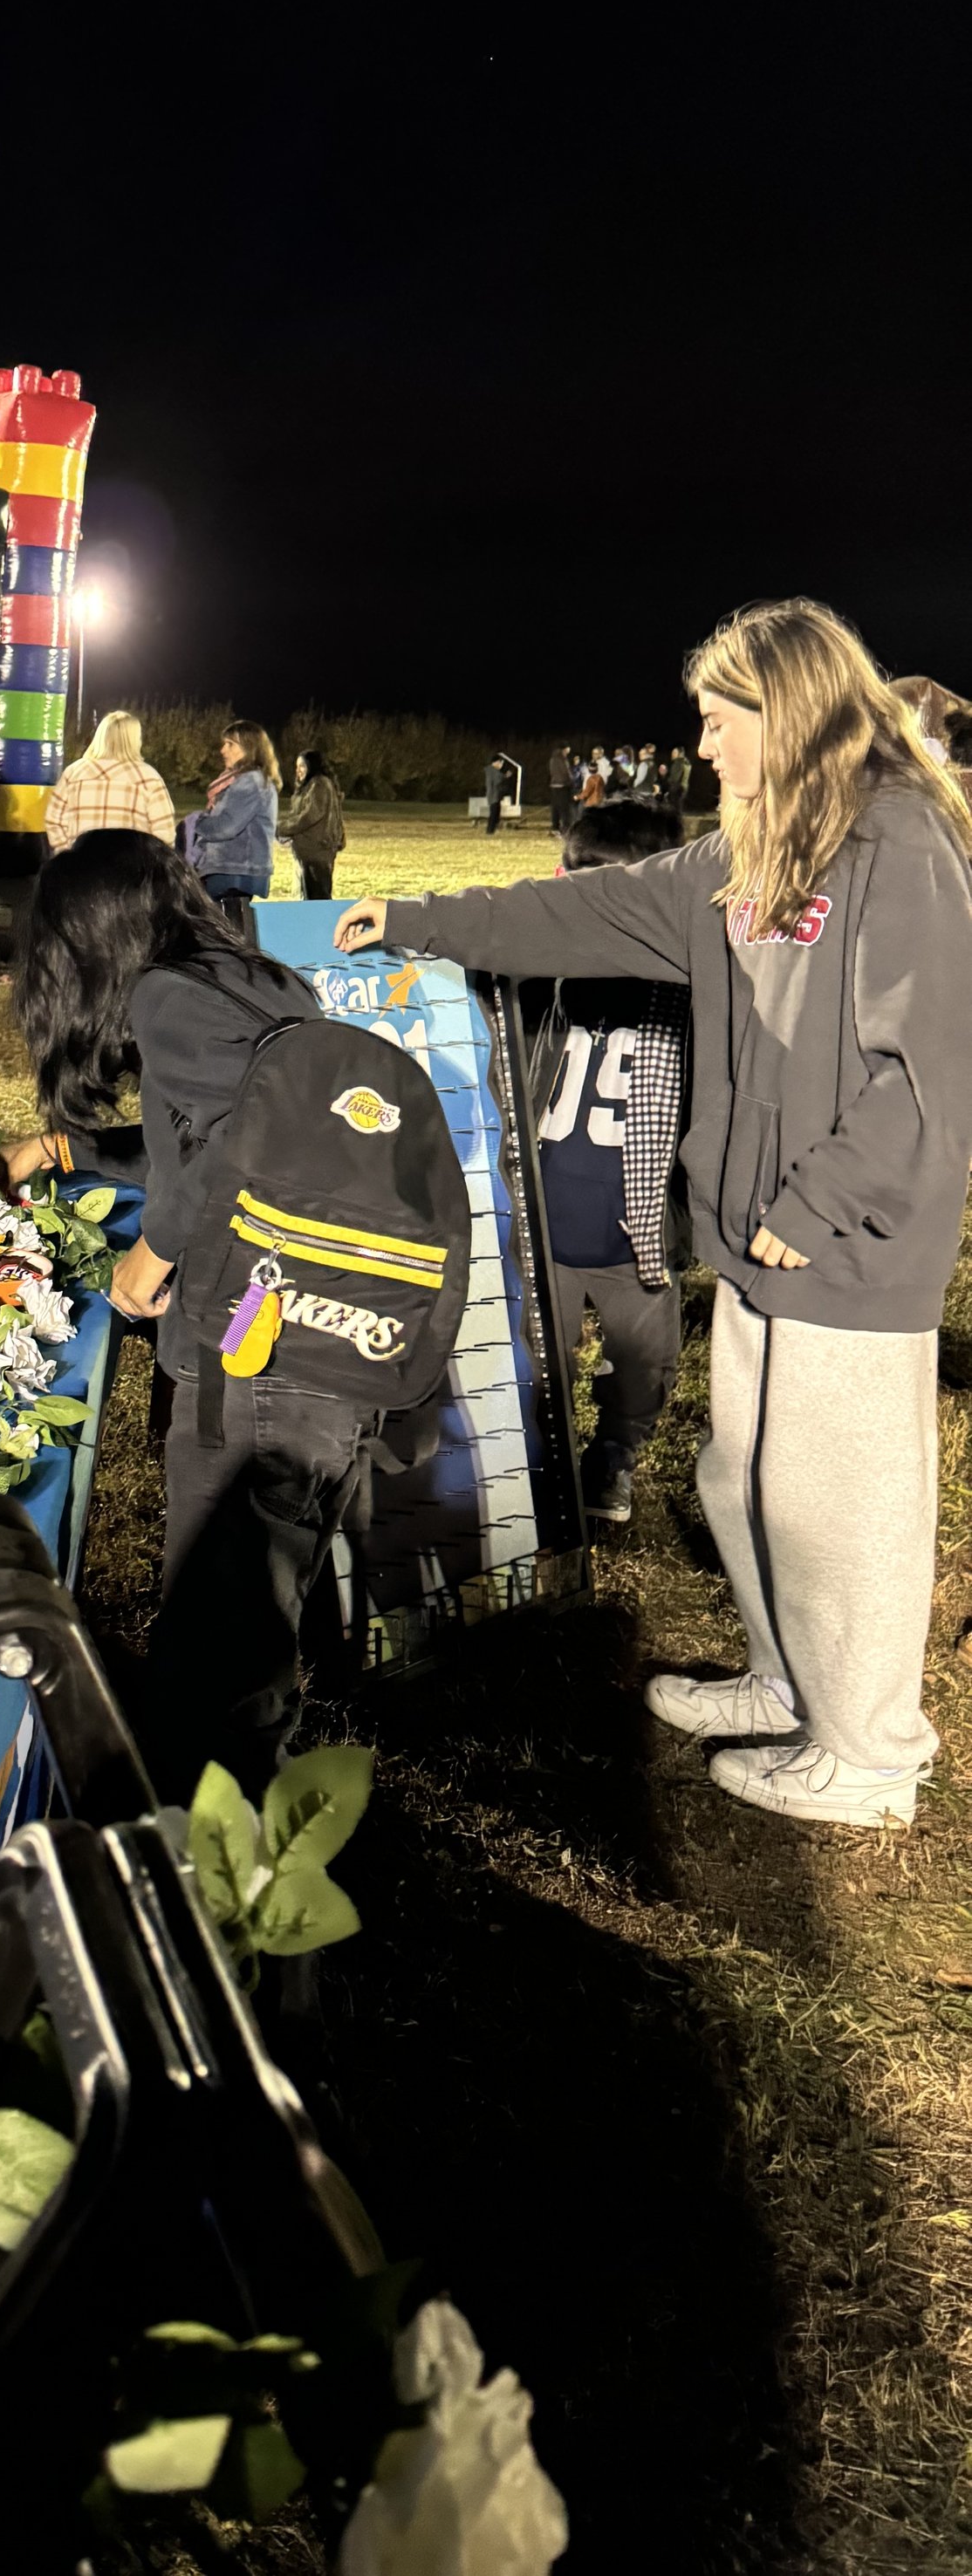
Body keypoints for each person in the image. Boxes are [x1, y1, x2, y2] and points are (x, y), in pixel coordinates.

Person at [338, 597, 972, 1829]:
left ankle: (872, 1755)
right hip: (759, 1234)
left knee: (837, 1500)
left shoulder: (898, 839)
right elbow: (580, 910)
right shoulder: (752, 855)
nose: (702, 746)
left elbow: (937, 1062)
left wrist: (825, 1192)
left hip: (845, 1238)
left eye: (719, 717)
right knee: (742, 1481)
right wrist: (416, 920)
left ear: (784, 709)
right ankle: (793, 1680)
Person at [7, 830, 353, 1800]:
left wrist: (153, 1252)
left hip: (258, 1354)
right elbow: (193, 1138)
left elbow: (235, 1141)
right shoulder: (257, 980)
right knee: (264, 1583)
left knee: (218, 1618)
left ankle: (210, 1842)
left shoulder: (166, 998)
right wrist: (66, 1151)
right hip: (326, 1339)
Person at [530, 796, 690, 1525]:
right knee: (540, 1366)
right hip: (546, 1230)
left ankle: (613, 1458)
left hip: (640, 1239)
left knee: (642, 1372)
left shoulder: (687, 996)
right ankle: (547, 1459)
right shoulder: (540, 983)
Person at [44, 710, 177, 851]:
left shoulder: (74, 773)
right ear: (133, 740)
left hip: (81, 865)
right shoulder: (147, 777)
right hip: (130, 865)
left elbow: (54, 820)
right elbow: (164, 831)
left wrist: (66, 853)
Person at [188, 721, 279, 910]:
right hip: (232, 872)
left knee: (227, 932)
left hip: (234, 873)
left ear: (249, 748)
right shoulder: (244, 779)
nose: (223, 750)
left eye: (230, 744)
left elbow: (226, 826)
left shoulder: (250, 781)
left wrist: (196, 823)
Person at [280, 748, 346, 899]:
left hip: (316, 853)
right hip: (310, 853)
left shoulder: (320, 785)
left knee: (317, 900)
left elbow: (309, 817)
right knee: (309, 898)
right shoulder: (312, 786)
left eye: (302, 766)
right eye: (297, 767)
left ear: (312, 766)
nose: (298, 771)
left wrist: (281, 828)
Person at [547, 741, 573, 837]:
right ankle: (566, 829)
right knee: (564, 809)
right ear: (565, 749)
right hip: (563, 786)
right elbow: (566, 772)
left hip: (554, 785)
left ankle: (555, 827)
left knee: (555, 808)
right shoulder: (562, 759)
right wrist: (571, 781)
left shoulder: (552, 759)